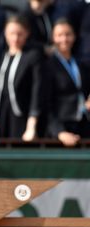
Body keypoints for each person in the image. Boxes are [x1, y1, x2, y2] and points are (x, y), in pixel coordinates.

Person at [0, 15, 45, 141]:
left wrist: (32, 124)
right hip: (0, 117)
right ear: (5, 33)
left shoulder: (33, 56)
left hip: (22, 118)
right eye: (11, 33)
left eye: (20, 34)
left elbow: (37, 90)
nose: (15, 38)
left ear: (26, 33)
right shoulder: (0, 56)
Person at [44, 19, 90, 147]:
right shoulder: (48, 66)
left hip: (84, 125)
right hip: (62, 129)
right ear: (53, 38)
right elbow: (46, 104)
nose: (64, 39)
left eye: (68, 34)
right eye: (59, 35)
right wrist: (59, 132)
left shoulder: (81, 65)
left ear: (74, 36)